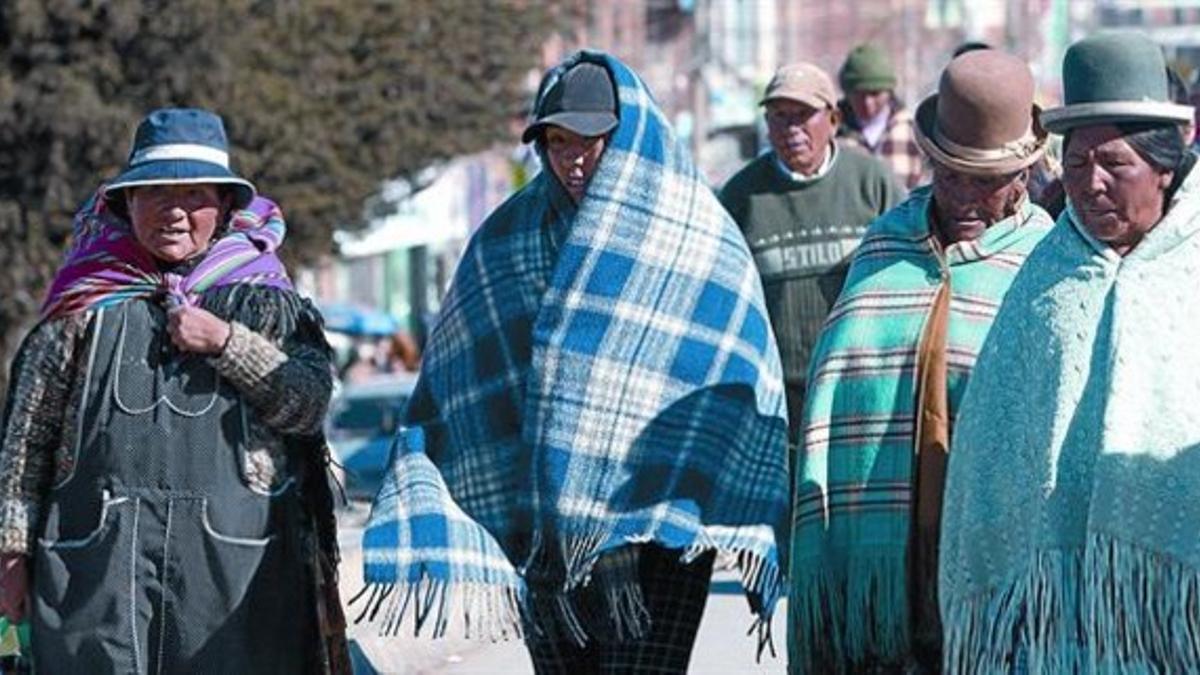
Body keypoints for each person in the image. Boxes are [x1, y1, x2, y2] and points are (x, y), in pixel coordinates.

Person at [357, 52, 789, 673]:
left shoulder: (695, 232)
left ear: (629, 134)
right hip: (548, 540)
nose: (574, 157)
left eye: (591, 140)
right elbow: (460, 377)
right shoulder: (506, 239)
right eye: (557, 140)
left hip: (655, 529)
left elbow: (738, 366)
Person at [0, 108, 348, 673]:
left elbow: (308, 403)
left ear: (226, 206)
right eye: (155, 192)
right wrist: (12, 552)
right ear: (126, 203)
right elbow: (25, 443)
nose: (175, 210)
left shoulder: (264, 302)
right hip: (95, 580)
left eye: (194, 193)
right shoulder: (82, 307)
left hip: (235, 585)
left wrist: (230, 343)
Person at [940, 31, 1200, 672]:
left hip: (1179, 621)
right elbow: (992, 456)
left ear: (1163, 165)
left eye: (1116, 163)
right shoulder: (1046, 278)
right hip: (1053, 626)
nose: (1092, 184)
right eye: (1077, 164)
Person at [789, 50, 1054, 673]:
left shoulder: (1044, 264)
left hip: (994, 577)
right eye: (950, 173)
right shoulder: (885, 246)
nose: (964, 194)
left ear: (1022, 175)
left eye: (984, 180)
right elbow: (841, 393)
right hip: (880, 573)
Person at [719, 61, 902, 472]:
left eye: (802, 116)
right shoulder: (741, 196)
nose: (790, 129)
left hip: (861, 389)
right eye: (778, 117)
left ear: (833, 120)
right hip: (777, 398)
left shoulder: (871, 182)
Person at [838, 42, 930, 191]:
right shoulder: (833, 132)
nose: (868, 103)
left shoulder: (913, 132)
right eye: (859, 95)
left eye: (875, 94)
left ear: (889, 91)